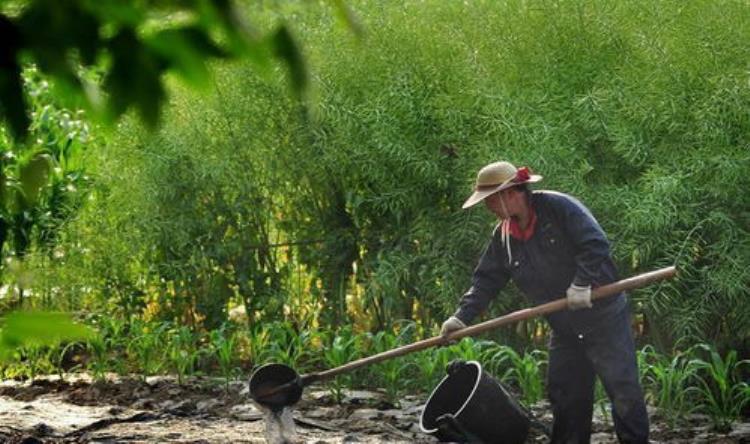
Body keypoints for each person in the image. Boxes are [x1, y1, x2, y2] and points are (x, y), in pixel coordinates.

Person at [440, 161, 649, 444]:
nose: (489, 208)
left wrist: (582, 283)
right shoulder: (503, 237)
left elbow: (596, 244)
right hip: (564, 327)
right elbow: (486, 281)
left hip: (604, 319)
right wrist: (461, 317)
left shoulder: (560, 208)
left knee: (623, 392)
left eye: (490, 200)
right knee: (566, 397)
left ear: (511, 193)